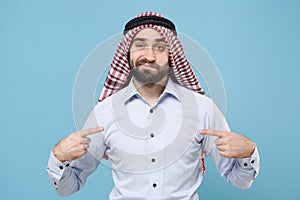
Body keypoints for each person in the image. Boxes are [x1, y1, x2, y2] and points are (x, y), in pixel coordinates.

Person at [47, 12, 260, 200]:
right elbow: (68, 188)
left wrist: (248, 152)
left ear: (171, 56)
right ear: (127, 54)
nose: (149, 56)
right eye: (139, 45)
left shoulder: (203, 109)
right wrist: (58, 157)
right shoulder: (104, 113)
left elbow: (240, 180)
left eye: (159, 47)